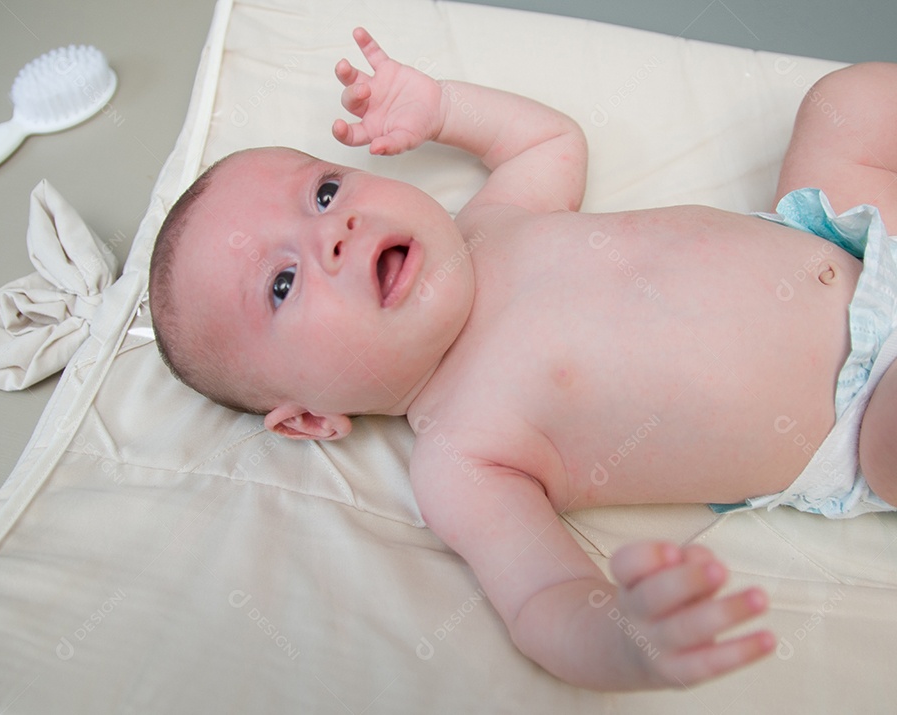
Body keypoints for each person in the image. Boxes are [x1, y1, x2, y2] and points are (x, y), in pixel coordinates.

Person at [148, 27, 897, 690]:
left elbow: (548, 142)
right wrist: (626, 639)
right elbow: (544, 601)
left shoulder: (491, 223)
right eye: (282, 283)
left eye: (322, 191)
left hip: (844, 239)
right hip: (862, 408)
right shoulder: (461, 455)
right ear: (311, 417)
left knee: (846, 105)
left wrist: (440, 107)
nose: (333, 232)